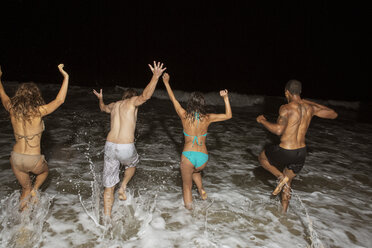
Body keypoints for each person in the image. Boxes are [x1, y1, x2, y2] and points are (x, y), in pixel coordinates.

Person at [93, 61, 166, 217]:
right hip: (126, 147)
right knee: (132, 164)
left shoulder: (114, 105)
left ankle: (107, 218)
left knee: (108, 186)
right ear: (133, 98)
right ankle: (123, 186)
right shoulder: (133, 102)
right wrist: (155, 76)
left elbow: (102, 108)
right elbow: (145, 96)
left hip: (110, 146)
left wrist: (100, 98)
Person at [256, 79, 338, 213]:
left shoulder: (286, 108)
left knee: (262, 158)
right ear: (300, 92)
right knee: (288, 183)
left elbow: (278, 130)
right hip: (301, 153)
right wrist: (310, 103)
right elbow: (333, 114)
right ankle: (284, 213)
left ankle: (280, 177)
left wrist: (263, 121)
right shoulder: (310, 107)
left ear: (287, 92)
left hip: (286, 150)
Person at [0, 64, 69, 210]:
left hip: (16, 158)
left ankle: (23, 225)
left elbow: (3, 95)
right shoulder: (38, 112)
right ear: (35, 96)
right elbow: (59, 100)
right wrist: (66, 76)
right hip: (34, 159)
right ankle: (35, 190)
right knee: (44, 172)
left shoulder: (12, 109)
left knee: (24, 189)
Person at [162, 72, 232, 209]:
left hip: (188, 155)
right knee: (196, 171)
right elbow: (229, 115)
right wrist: (226, 98)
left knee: (187, 187)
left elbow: (173, 99)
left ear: (190, 103)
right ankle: (201, 190)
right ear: (202, 104)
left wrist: (166, 82)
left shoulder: (184, 116)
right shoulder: (208, 117)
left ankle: (189, 216)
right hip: (203, 158)